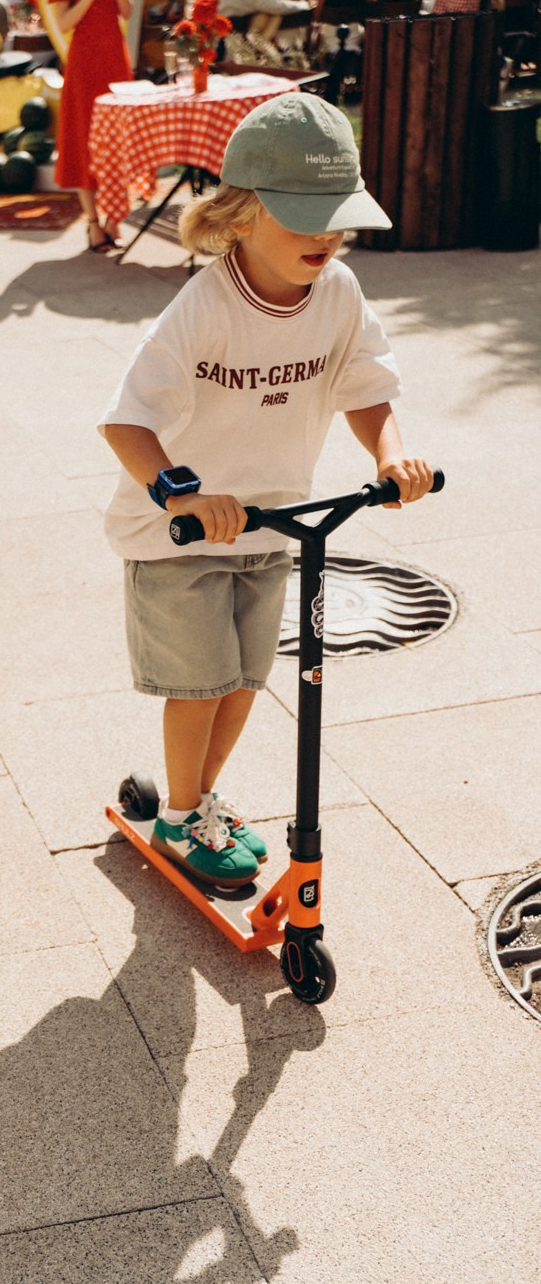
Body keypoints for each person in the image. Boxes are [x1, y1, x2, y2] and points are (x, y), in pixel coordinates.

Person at [100, 95, 433, 889]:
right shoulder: (205, 307)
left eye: (337, 220)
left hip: (274, 527)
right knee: (201, 685)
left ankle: (196, 802)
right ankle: (181, 816)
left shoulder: (340, 292)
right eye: (303, 220)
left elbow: (366, 387)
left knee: (247, 682)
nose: (326, 237)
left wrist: (393, 456)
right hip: (180, 539)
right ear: (241, 216)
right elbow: (127, 423)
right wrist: (181, 495)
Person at [49, 0, 131, 254]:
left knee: (120, 137)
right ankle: (93, 223)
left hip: (116, 58)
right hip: (83, 62)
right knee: (85, 137)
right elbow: (64, 23)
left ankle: (115, 218)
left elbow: (127, 12)